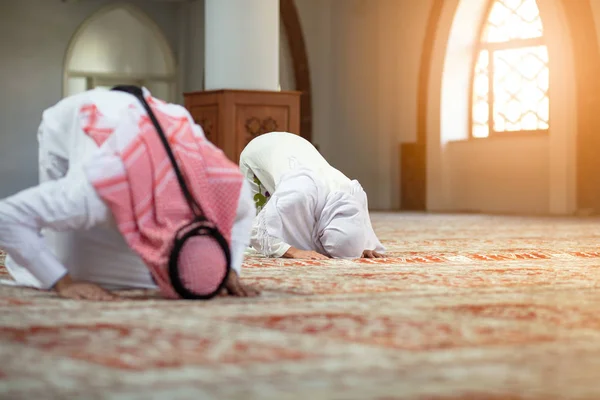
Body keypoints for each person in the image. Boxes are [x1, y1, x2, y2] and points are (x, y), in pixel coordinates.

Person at [0, 86, 259, 301]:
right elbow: (7, 216)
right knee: (62, 244)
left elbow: (244, 217)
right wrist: (62, 282)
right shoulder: (99, 189)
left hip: (165, 118)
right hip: (79, 117)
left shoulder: (226, 186)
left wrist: (231, 269)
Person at [239, 131, 385, 260]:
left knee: (283, 217)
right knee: (254, 219)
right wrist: (293, 251)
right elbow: (255, 231)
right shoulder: (297, 194)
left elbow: (360, 228)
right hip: (259, 149)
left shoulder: (353, 194)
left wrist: (359, 246)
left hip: (299, 146)